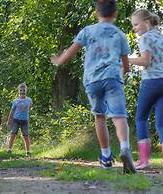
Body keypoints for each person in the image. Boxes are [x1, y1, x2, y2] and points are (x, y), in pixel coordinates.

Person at [50, 0, 135, 173]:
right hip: (112, 77)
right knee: (119, 115)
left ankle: (106, 156)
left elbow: (70, 52)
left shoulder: (88, 31)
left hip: (92, 79)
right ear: (115, 14)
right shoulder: (119, 34)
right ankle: (125, 147)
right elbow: (126, 66)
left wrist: (58, 60)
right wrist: (122, 73)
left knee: (100, 116)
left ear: (97, 13)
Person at [129, 9, 163, 175]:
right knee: (162, 123)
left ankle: (143, 160)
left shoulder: (145, 38)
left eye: (135, 24)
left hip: (152, 82)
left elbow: (145, 61)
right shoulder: (162, 37)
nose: (134, 28)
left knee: (141, 118)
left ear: (146, 22)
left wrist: (125, 60)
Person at [6, 83, 33, 156]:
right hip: (16, 120)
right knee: (13, 134)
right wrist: (9, 120)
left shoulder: (29, 100)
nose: (22, 91)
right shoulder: (15, 101)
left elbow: (30, 107)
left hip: (25, 120)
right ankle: (9, 150)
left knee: (26, 136)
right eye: (21, 90)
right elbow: (12, 111)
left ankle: (27, 152)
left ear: (26, 90)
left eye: (24, 90)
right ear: (18, 91)